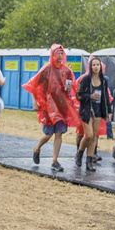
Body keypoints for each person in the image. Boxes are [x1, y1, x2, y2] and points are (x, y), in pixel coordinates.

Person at [23, 44, 78, 172]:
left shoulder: (67, 71)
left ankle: (55, 160)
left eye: (61, 53)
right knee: (48, 133)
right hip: (48, 106)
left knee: (59, 133)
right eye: (57, 53)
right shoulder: (47, 69)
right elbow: (33, 84)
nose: (59, 56)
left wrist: (69, 89)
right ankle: (37, 148)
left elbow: (70, 87)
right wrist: (34, 102)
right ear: (52, 54)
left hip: (61, 105)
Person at [74, 56, 110, 172]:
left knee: (94, 136)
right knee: (88, 135)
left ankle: (89, 161)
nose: (96, 67)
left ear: (101, 67)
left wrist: (109, 111)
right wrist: (90, 96)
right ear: (90, 66)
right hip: (86, 110)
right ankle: (79, 153)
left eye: (97, 65)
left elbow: (106, 97)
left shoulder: (104, 81)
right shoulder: (85, 80)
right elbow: (78, 95)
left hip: (99, 110)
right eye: (93, 65)